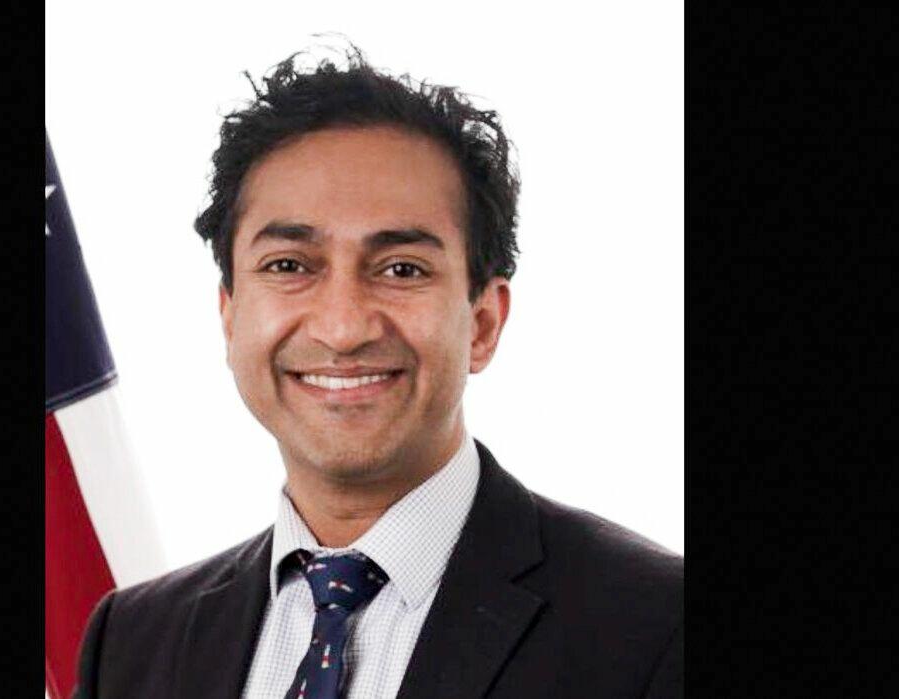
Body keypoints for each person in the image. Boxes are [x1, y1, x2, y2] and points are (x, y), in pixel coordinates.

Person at [74, 47, 682, 699]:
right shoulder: (131, 642)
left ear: (483, 323)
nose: (343, 328)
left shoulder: (654, 627)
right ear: (230, 315)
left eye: (401, 269)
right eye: (289, 265)